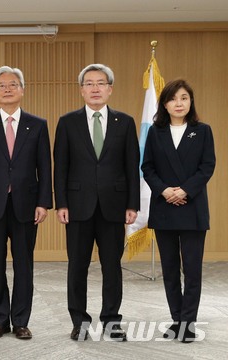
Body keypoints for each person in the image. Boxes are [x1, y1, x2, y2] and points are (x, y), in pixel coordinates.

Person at [53, 64, 140, 341]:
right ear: (81, 90)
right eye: (89, 83)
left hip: (114, 207)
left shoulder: (124, 122)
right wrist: (61, 203)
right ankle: (79, 321)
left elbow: (131, 166)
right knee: (77, 265)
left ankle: (112, 321)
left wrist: (132, 204)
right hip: (77, 206)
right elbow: (61, 167)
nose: (95, 88)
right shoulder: (67, 122)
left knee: (111, 267)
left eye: (100, 83)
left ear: (110, 89)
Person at [0, 66, 52, 340]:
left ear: (22, 90)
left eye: (13, 84)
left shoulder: (38, 125)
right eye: (2, 85)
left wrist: (44, 202)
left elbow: (45, 167)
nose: (7, 89)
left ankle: (21, 321)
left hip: (27, 204)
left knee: (24, 263)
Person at [141, 79, 215, 343]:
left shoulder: (203, 131)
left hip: (193, 207)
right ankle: (177, 320)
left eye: (184, 97)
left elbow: (207, 166)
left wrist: (184, 191)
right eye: (173, 99)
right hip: (164, 208)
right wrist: (165, 191)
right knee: (170, 270)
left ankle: (189, 323)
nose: (179, 103)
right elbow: (147, 167)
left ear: (190, 101)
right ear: (165, 104)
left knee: (192, 270)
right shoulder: (155, 132)